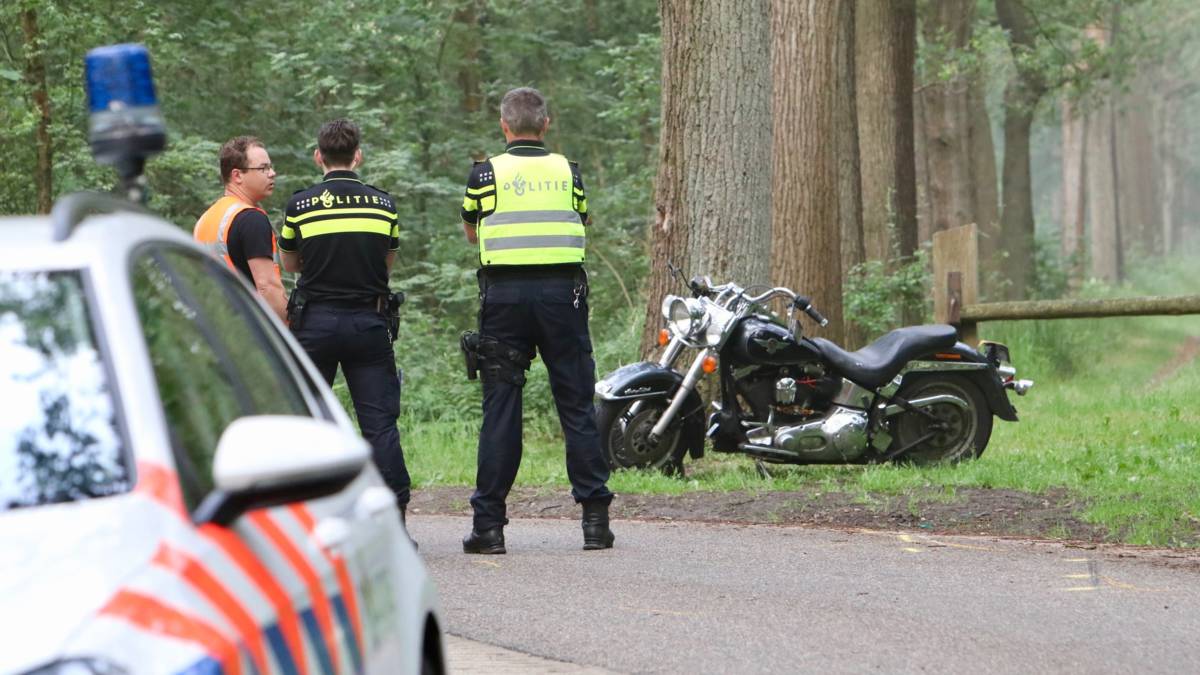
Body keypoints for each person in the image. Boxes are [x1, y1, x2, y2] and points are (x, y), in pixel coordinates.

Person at [460, 87, 614, 554]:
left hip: (504, 300)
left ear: (504, 127)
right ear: (545, 125)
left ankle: (489, 528)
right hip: (562, 297)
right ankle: (594, 522)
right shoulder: (568, 171)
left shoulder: (485, 174)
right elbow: (582, 221)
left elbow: (472, 232)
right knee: (575, 405)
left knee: (501, 411)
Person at [278, 119, 413, 531]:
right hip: (368, 323)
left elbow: (289, 264)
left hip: (314, 322)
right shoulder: (383, 205)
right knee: (379, 425)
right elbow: (385, 266)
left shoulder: (299, 205)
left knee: (310, 423)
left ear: (319, 156)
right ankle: (393, 526)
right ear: (358, 155)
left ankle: (310, 523)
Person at [194, 136, 288, 322]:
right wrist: (289, 329)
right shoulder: (251, 219)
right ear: (237, 175)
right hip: (251, 327)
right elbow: (267, 287)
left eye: (270, 167)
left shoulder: (205, 219)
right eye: (263, 168)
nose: (272, 173)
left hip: (219, 327)